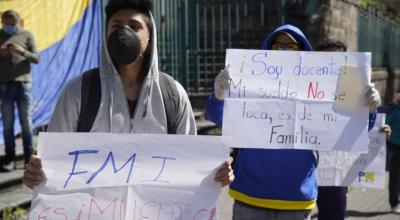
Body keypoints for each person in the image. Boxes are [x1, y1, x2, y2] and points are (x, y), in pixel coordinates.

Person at [23, 0, 233, 189]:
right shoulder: (78, 91)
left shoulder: (172, 94)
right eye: (116, 26)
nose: (124, 33)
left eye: (134, 26)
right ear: (106, 35)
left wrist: (215, 176)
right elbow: (53, 163)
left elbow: (190, 161)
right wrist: (39, 174)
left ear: (149, 38)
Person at [205, 25, 381, 220]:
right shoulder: (248, 84)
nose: (284, 49)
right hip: (249, 196)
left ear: (303, 50)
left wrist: (369, 108)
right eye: (279, 44)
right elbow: (216, 116)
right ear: (269, 48)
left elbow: (355, 128)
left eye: (292, 45)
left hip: (297, 199)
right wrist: (219, 95)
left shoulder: (324, 86)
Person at [0, 10, 39, 171]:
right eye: (5, 24)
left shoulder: (27, 35)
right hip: (4, 85)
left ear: (18, 22)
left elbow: (36, 58)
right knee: (8, 124)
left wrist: (21, 50)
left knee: (26, 123)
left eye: (11, 24)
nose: (8, 27)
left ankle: (28, 158)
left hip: (23, 84)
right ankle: (9, 158)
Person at [386, 93, 400, 213]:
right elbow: (385, 122)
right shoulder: (394, 111)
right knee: (395, 176)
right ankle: (394, 203)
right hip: (395, 147)